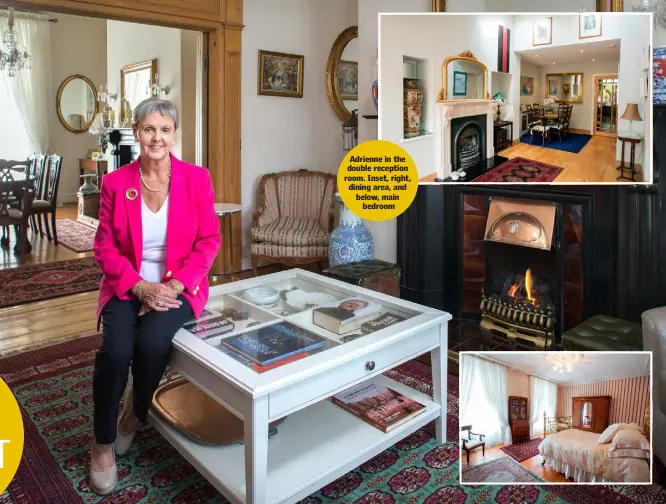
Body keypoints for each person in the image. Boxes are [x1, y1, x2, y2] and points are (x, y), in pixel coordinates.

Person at [88, 97, 221, 495]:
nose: (157, 137)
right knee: (115, 351)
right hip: (126, 285)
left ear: (174, 134)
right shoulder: (116, 183)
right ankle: (102, 444)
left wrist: (174, 286)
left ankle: (134, 414)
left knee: (151, 344)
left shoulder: (197, 179)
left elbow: (209, 240)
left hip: (179, 286)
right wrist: (140, 287)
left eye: (165, 129)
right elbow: (105, 247)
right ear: (137, 133)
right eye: (149, 129)